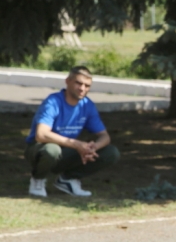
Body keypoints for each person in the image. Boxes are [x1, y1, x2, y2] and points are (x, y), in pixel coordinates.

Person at [24, 66, 120, 197]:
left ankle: (67, 180)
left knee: (111, 152)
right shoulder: (53, 102)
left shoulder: (87, 105)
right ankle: (37, 180)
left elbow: (105, 137)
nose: (82, 89)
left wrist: (92, 148)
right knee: (52, 150)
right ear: (68, 81)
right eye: (78, 83)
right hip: (40, 149)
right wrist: (76, 144)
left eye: (87, 86)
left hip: (66, 151)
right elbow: (41, 135)